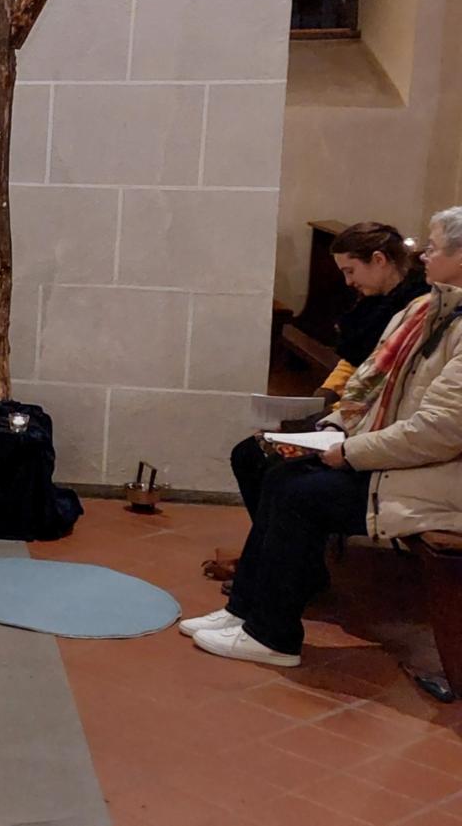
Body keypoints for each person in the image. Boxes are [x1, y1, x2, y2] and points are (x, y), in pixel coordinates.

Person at [181, 206, 462, 667]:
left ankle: (274, 636)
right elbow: (369, 381)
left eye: (432, 248)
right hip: (396, 455)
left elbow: (440, 432)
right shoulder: (427, 307)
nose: (423, 255)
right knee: (276, 469)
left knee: (298, 493)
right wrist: (334, 428)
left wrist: (349, 450)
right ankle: (244, 612)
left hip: (437, 479)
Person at [228, 221, 431, 519]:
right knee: (250, 453)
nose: (348, 282)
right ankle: (266, 549)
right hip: (343, 415)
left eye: (350, 271)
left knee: (274, 469)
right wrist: (322, 395)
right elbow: (352, 360)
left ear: (378, 260)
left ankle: (277, 557)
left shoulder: (413, 308)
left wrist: (323, 419)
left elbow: (379, 380)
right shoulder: (373, 303)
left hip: (366, 426)